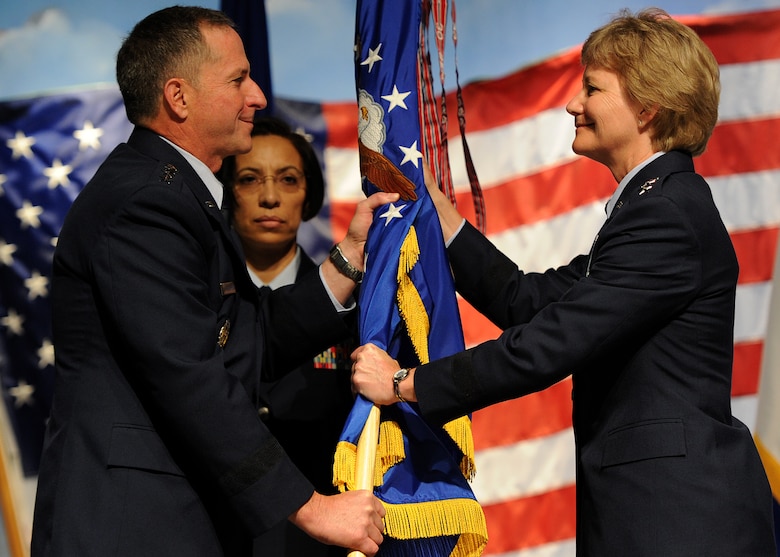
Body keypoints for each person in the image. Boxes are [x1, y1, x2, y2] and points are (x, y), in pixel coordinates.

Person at [351, 8, 777, 556]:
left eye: (592, 88)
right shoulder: (653, 211)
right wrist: (441, 219)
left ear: (647, 106)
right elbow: (527, 301)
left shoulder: (666, 215)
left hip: (676, 522)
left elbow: (550, 343)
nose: (574, 103)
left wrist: (408, 382)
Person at [30, 6, 394, 557]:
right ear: (178, 97)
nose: (259, 97)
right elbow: (189, 376)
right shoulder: (146, 203)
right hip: (131, 529)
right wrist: (312, 507)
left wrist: (347, 261)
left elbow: (245, 341)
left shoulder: (177, 196)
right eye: (238, 80)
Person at [218, 116, 354, 557]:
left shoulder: (352, 311)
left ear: (307, 196)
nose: (271, 197)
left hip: (318, 542)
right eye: (249, 179)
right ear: (226, 194)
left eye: (288, 180)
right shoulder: (196, 307)